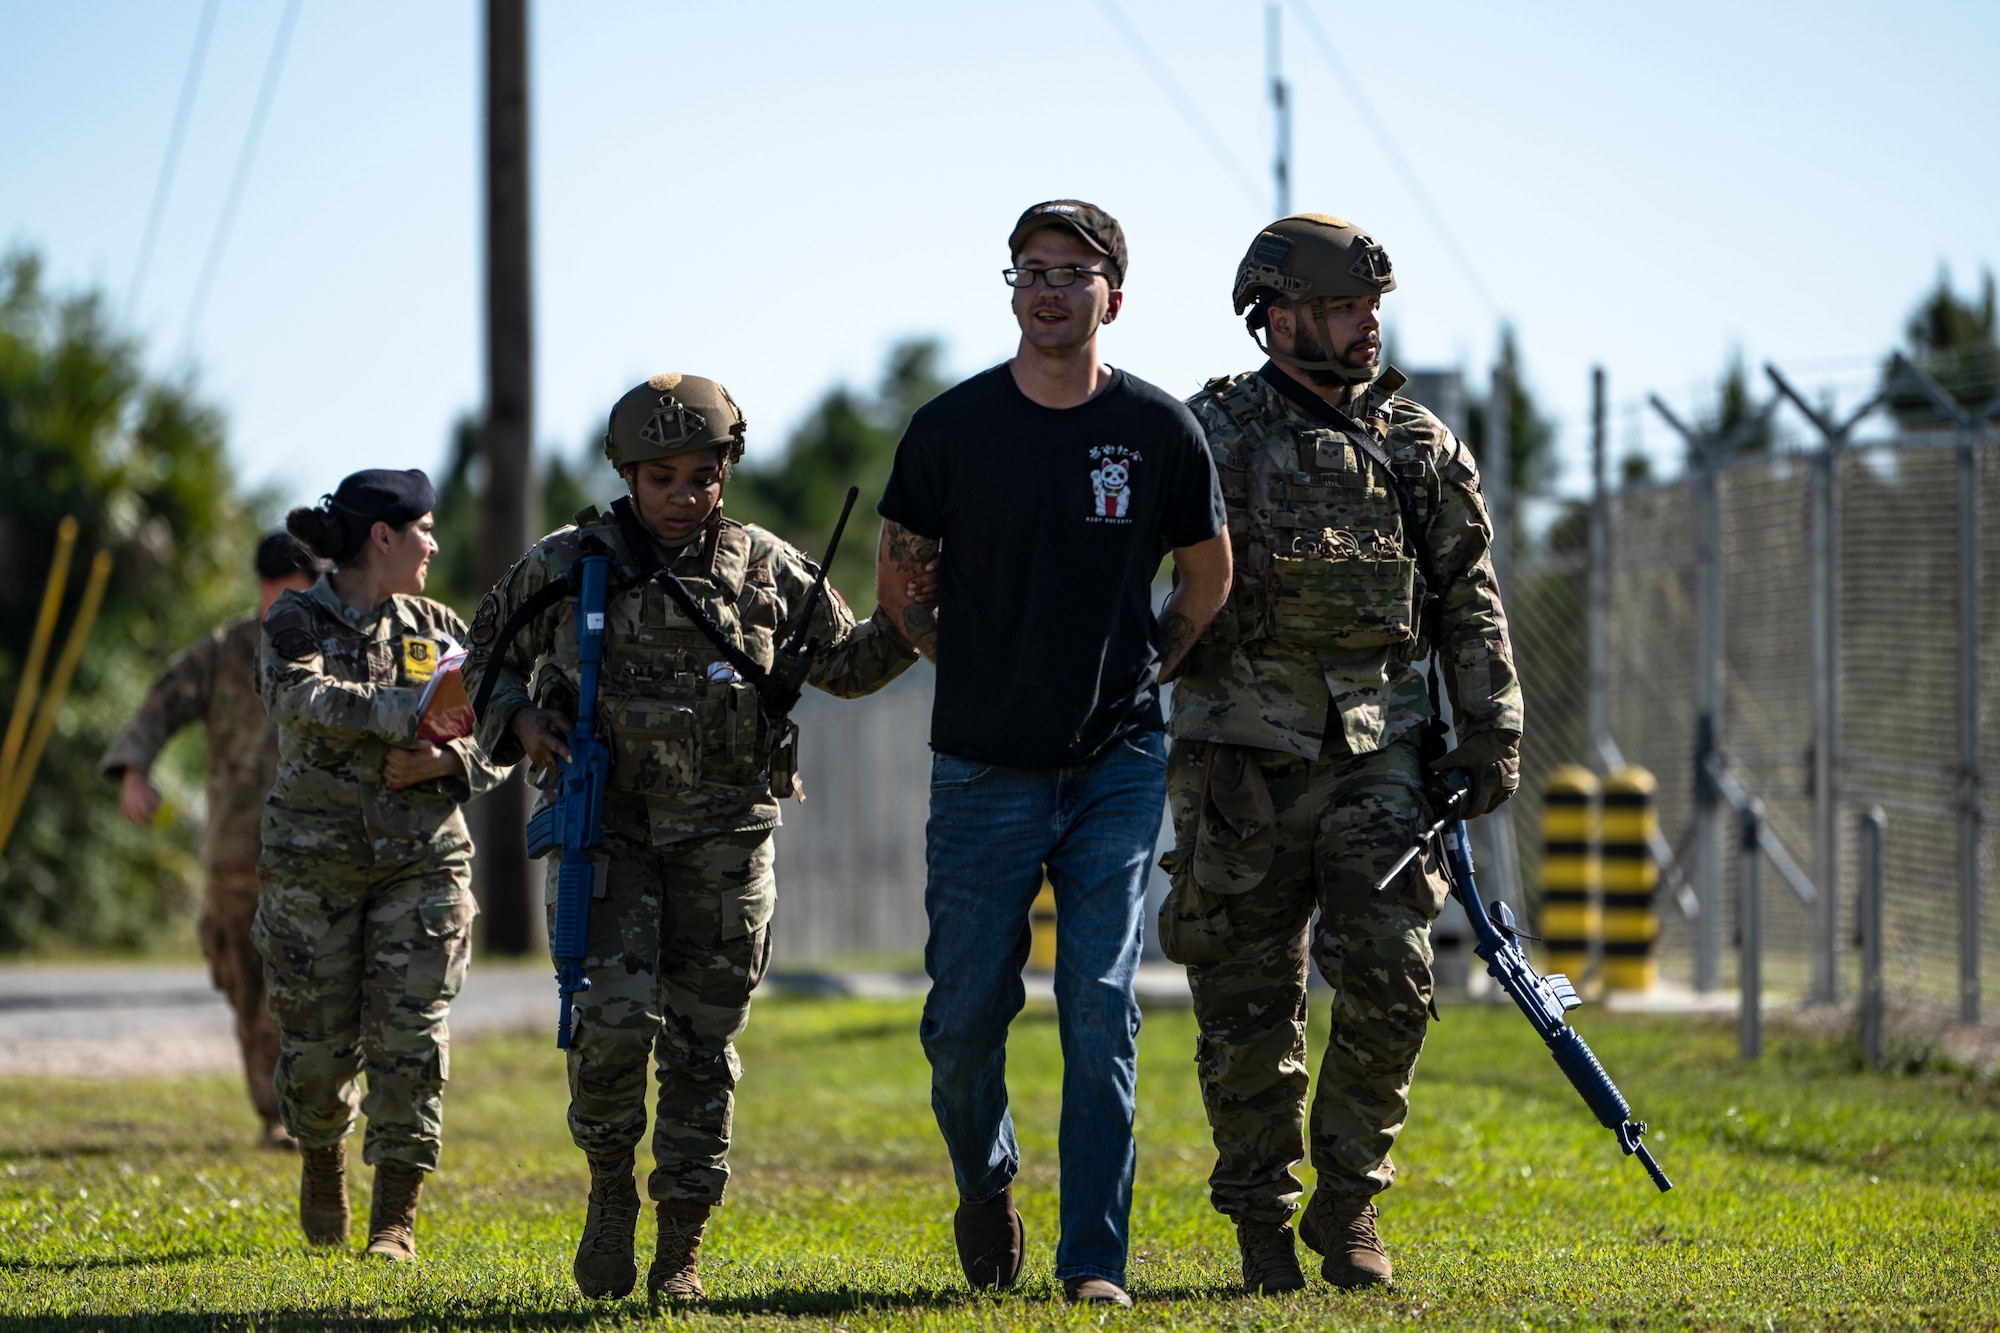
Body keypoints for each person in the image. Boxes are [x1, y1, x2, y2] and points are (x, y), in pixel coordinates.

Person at [464, 374, 927, 1302]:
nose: (684, 496)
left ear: (728, 470)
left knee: (703, 1046)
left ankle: (681, 1242)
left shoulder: (765, 567)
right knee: (608, 1025)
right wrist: (520, 723)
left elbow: (844, 664)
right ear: (627, 474)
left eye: (703, 475)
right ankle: (608, 1189)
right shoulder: (568, 563)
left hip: (726, 838)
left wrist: (915, 609)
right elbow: (483, 661)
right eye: (662, 477)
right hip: (611, 836)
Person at [873, 200, 1232, 1308]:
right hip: (981, 766)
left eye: (1072, 273)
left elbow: (1207, 575)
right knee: (963, 1017)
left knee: (1098, 1003)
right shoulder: (948, 428)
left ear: (1110, 297)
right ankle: (986, 1184)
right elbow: (898, 581)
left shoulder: (1161, 432)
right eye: (1028, 270)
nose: (1046, 288)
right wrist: (957, 657)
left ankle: (1093, 1261)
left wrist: (1150, 666)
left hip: (1115, 765)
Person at [1161, 213, 1522, 1293]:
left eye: (1371, 306)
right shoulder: (1208, 436)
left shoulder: (1418, 445)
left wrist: (1491, 725)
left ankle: (1349, 1198)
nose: (1365, 325)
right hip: (1239, 760)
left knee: (1394, 980)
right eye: (1340, 306)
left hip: (1381, 755)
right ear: (1273, 315)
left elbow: (1468, 597)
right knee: (1245, 998)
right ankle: (1260, 1221)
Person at [255, 468, 504, 1260]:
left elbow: (498, 726)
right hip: (313, 870)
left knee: (411, 1041)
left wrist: (445, 763)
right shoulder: (295, 617)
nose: (434, 542)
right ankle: (322, 1149)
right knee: (317, 1056)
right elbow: (302, 696)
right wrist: (408, 716)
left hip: (421, 864)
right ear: (381, 537)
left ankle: (395, 1217)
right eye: (423, 529)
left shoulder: (439, 624)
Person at [100, 531, 320, 1150]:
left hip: (314, 851)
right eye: (288, 595)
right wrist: (135, 770)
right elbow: (161, 702)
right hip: (235, 852)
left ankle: (296, 1113)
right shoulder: (225, 652)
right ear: (265, 588)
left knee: (299, 981)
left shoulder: (332, 649)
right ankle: (276, 1108)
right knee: (242, 978)